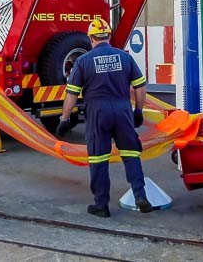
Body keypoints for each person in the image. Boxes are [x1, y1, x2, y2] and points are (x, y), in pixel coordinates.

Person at [56, 18, 153, 218]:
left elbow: (72, 94)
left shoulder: (83, 61)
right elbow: (140, 86)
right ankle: (140, 196)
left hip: (97, 113)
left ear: (91, 38)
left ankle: (101, 205)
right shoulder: (124, 57)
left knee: (99, 158)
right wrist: (138, 111)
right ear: (108, 36)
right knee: (131, 154)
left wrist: (64, 119)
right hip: (122, 111)